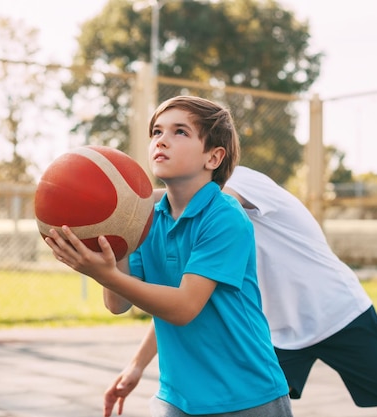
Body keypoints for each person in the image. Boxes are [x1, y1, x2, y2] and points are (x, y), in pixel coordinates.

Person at [103, 165, 377, 417]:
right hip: (276, 334)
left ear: (213, 154)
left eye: (182, 132)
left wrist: (128, 204)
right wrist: (136, 366)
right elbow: (183, 301)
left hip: (337, 313)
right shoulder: (181, 223)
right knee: (251, 400)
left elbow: (209, 201)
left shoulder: (237, 185)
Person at [46, 96, 293, 417]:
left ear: (214, 157)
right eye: (156, 132)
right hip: (177, 397)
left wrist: (106, 275)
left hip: (244, 395)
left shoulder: (224, 216)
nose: (162, 140)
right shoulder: (145, 219)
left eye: (180, 132)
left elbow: (184, 307)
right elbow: (118, 303)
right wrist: (109, 253)